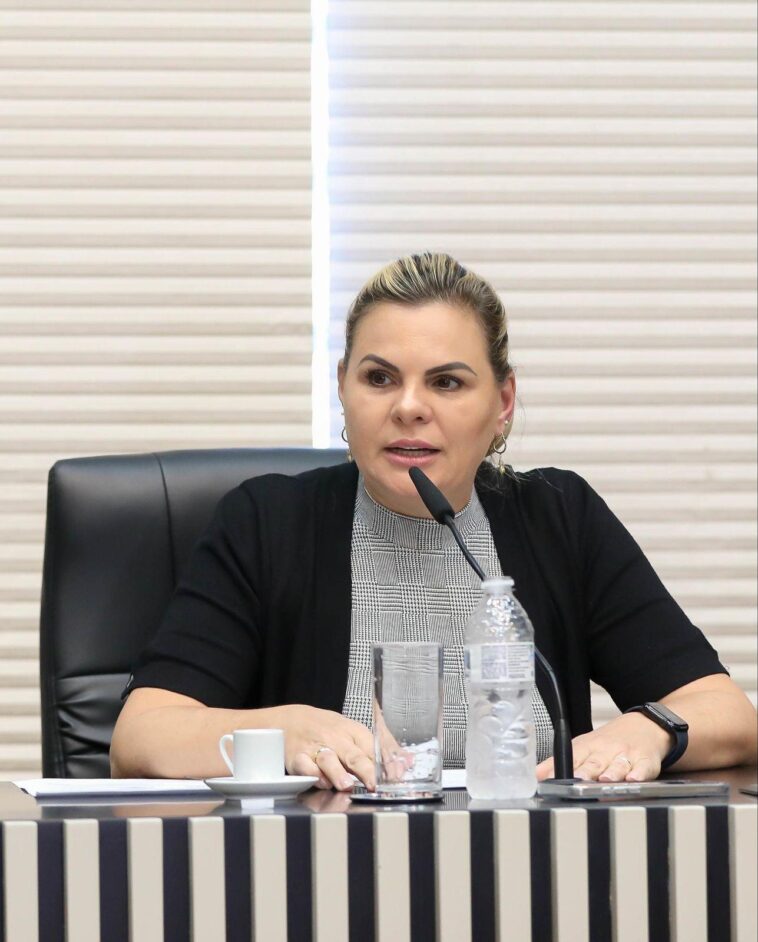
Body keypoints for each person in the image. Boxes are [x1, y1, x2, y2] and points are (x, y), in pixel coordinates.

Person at [110, 253, 757, 790]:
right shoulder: (267, 522)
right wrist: (280, 730)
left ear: (502, 402)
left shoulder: (559, 516)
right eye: (380, 378)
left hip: (534, 871)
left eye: (446, 383)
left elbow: (727, 714)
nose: (409, 407)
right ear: (343, 387)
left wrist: (648, 730)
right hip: (320, 873)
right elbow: (142, 738)